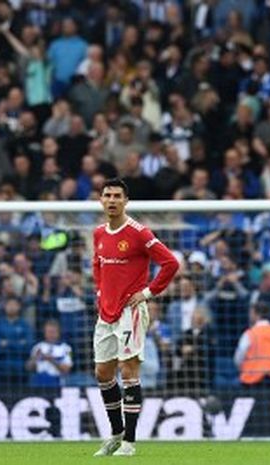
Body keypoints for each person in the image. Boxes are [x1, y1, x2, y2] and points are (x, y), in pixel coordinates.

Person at [92, 178, 179, 456]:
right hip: (106, 312)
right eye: (108, 195)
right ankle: (116, 434)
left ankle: (129, 442)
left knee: (128, 372)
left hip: (131, 311)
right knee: (102, 373)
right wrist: (99, 292)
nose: (113, 200)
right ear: (101, 200)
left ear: (126, 201)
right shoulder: (98, 233)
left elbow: (170, 263)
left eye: (118, 195)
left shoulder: (139, 233)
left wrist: (148, 292)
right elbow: (97, 264)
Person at [233, 302, 270, 388]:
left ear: (256, 314)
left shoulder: (250, 333)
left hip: (250, 379)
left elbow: (238, 357)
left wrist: (242, 368)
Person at [26, 319, 72, 387]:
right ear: (44, 332)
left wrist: (51, 360)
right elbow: (28, 367)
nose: (51, 334)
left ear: (59, 333)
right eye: (49, 332)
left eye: (53, 332)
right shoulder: (38, 347)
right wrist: (35, 358)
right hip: (39, 381)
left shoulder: (66, 349)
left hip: (56, 382)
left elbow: (66, 369)